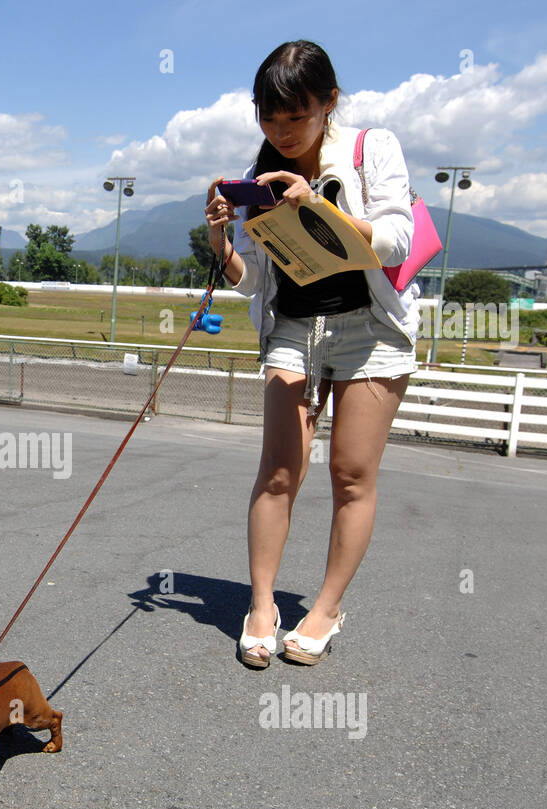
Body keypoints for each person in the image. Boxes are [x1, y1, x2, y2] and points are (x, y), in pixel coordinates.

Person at [204, 40, 420, 667]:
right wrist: (220, 237)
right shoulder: (263, 166)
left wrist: (318, 204)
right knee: (278, 470)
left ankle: (325, 608)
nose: (281, 131)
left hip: (369, 328)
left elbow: (397, 238)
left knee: (351, 475)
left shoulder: (370, 147)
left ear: (329, 102)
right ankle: (263, 605)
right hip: (294, 327)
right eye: (269, 118)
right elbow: (252, 279)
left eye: (294, 117)